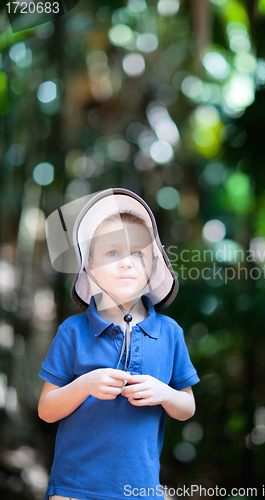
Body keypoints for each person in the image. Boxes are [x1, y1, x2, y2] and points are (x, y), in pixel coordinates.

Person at [38, 188, 200, 500]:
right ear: (90, 267)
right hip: (75, 490)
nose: (126, 263)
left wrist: (164, 393)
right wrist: (85, 384)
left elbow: (187, 407)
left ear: (153, 267)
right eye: (112, 253)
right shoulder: (72, 332)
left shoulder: (170, 333)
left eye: (138, 254)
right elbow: (46, 410)